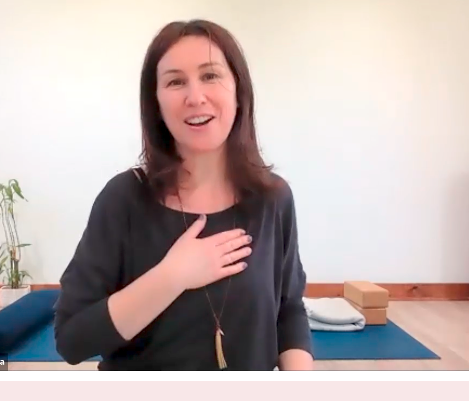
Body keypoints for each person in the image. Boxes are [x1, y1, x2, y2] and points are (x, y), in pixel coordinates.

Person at [52, 19, 313, 371]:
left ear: (238, 89)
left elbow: (289, 310)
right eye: (175, 81)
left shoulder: (273, 198)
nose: (195, 97)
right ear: (156, 102)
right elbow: (73, 340)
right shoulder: (123, 198)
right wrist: (173, 276)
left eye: (210, 76)